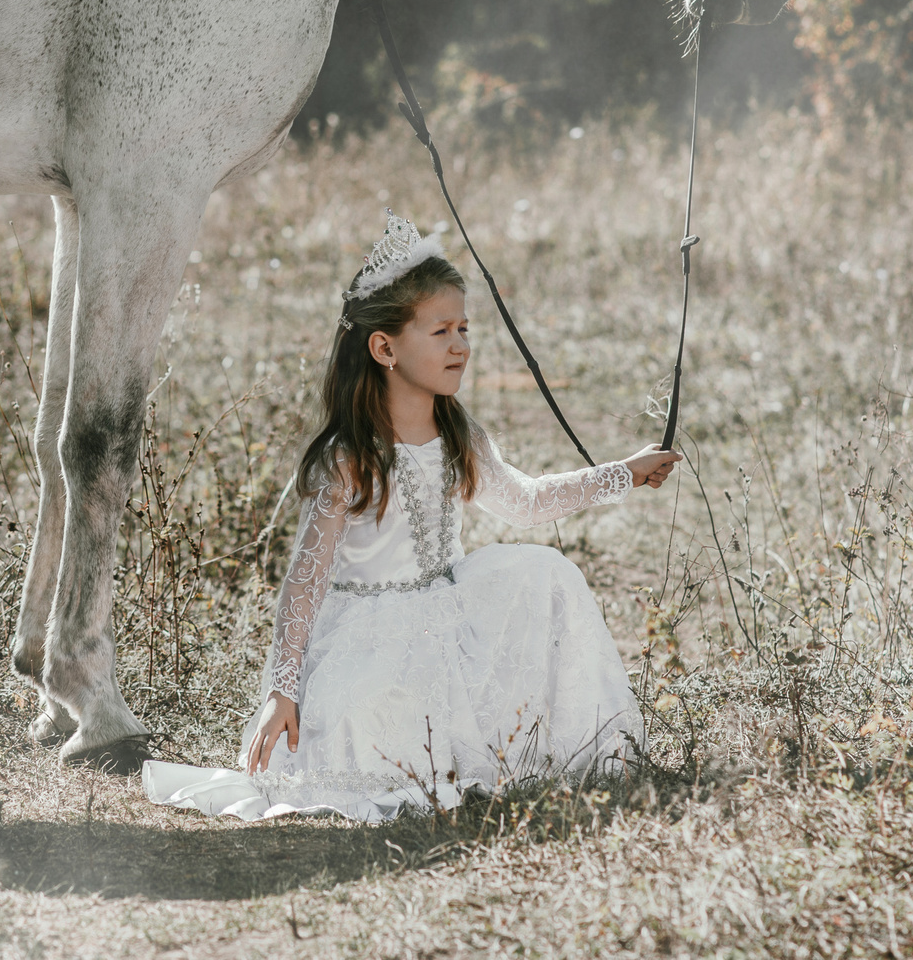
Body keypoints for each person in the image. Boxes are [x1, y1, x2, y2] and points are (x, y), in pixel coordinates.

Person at [141, 215, 680, 822]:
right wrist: (282, 688)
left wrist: (623, 472)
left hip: (451, 615)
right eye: (441, 330)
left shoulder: (457, 431)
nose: (461, 346)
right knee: (378, 733)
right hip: (369, 635)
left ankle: (581, 751)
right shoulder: (350, 457)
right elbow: (305, 580)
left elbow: (526, 502)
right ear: (385, 347)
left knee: (546, 572)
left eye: (465, 329)